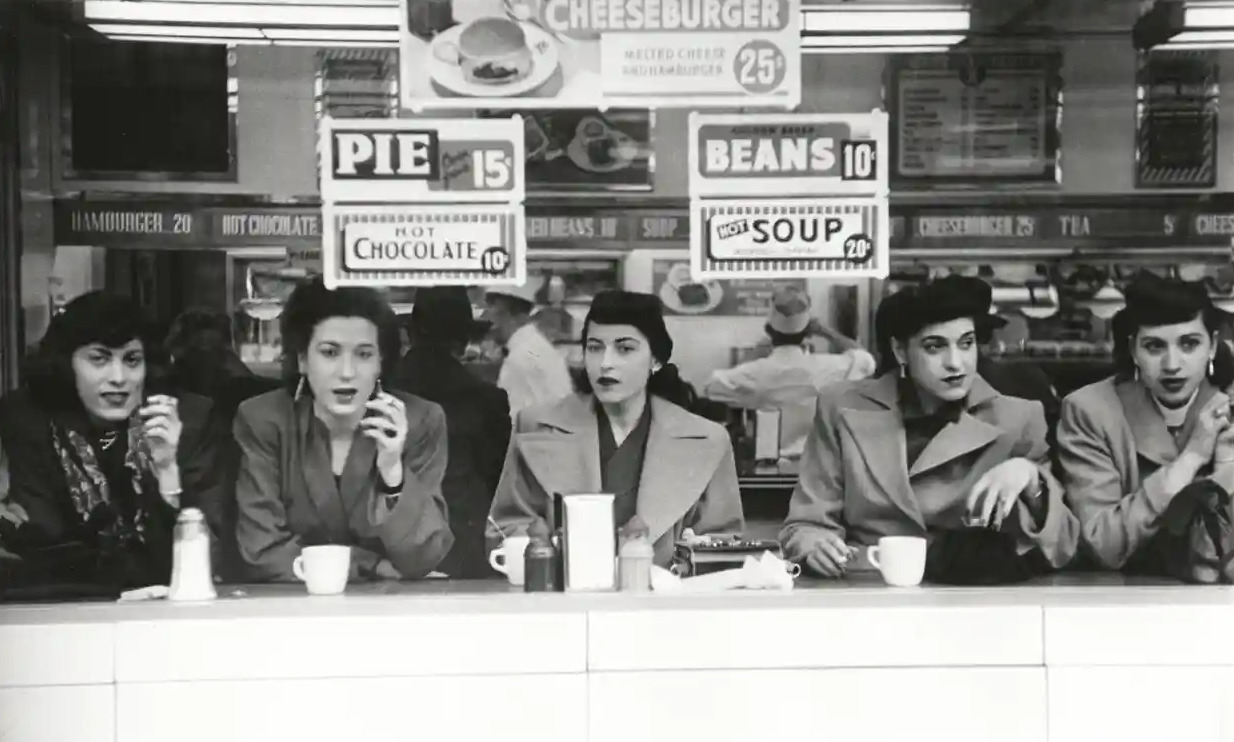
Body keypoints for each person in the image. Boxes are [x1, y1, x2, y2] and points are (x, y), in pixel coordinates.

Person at [780, 276, 1079, 580]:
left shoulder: (1019, 418)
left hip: (974, 595)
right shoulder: (841, 407)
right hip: (869, 588)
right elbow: (804, 524)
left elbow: (1063, 545)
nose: (955, 363)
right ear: (899, 351)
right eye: (934, 347)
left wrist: (1031, 479)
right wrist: (815, 545)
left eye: (966, 343)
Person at [488, 290, 744, 567]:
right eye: (595, 347)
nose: (605, 363)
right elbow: (505, 528)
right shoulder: (536, 426)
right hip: (564, 600)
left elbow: (724, 543)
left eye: (625, 349)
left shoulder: (708, 439)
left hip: (668, 603)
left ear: (656, 360)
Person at [0, 292, 226, 591]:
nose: (118, 377)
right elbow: (38, 547)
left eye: (132, 360)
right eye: (99, 359)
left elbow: (210, 560)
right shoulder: (28, 421)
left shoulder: (188, 420)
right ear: (67, 365)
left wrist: (167, 469)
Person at [233, 277, 453, 582]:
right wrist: (371, 566)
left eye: (364, 354)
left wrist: (393, 472)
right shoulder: (264, 420)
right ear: (302, 360)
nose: (347, 372)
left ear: (380, 364)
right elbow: (261, 553)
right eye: (329, 352)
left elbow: (422, 558)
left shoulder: (420, 421)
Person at [1058, 272, 1234, 576]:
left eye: (1189, 344)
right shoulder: (1090, 411)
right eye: (1154, 346)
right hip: (1120, 598)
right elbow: (1104, 544)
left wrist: (1225, 466)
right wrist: (1192, 457)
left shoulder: (1228, 410)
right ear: (1134, 350)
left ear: (1213, 347)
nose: (1172, 364)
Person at [394, 287, 511, 579]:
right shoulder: (487, 400)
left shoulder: (379, 390)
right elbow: (501, 483)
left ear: (410, 332)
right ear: (464, 338)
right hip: (463, 550)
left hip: (388, 548)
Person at [704, 285, 876, 461]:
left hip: (770, 463)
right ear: (808, 331)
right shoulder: (827, 367)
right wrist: (825, 331)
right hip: (818, 463)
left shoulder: (758, 372)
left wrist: (756, 352)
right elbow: (866, 361)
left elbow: (711, 387)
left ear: (770, 331)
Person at [483, 281, 573, 419]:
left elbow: (511, 421)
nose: (490, 323)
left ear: (508, 315)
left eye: (493, 312)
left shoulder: (519, 358)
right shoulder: (538, 347)